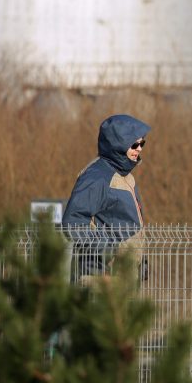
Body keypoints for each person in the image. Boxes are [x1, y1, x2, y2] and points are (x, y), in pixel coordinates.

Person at [62, 113, 150, 279]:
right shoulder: (96, 177)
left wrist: (141, 261)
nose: (139, 148)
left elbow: (130, 225)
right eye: (134, 144)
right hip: (101, 278)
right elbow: (72, 224)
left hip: (124, 277)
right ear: (118, 144)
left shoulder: (127, 177)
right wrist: (109, 252)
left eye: (142, 143)